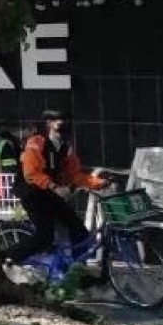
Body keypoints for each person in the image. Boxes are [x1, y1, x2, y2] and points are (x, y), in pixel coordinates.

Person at [6, 110, 108, 268]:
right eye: (61, 120)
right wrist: (55, 187)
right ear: (49, 123)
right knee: (45, 236)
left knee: (78, 229)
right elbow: (31, 173)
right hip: (32, 193)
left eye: (67, 120)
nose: (65, 124)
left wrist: (99, 183)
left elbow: (75, 174)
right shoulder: (36, 142)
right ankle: (7, 256)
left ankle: (78, 268)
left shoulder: (66, 147)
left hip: (49, 193)